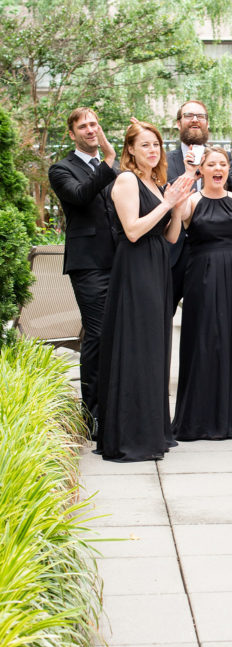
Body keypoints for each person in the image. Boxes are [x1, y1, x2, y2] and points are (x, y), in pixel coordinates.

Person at [96, 120, 195, 462]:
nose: (153, 150)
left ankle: (152, 430)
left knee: (154, 347)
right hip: (135, 267)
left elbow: (169, 237)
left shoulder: (154, 182)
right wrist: (167, 204)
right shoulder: (125, 180)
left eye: (156, 144)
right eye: (145, 145)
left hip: (157, 267)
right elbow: (133, 231)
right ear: (131, 151)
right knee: (135, 346)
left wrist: (178, 202)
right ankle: (130, 434)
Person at [172, 144, 232, 441]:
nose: (218, 169)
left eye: (223, 164)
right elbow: (175, 229)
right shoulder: (191, 202)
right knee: (206, 342)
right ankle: (202, 417)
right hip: (203, 277)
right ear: (202, 169)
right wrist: (187, 177)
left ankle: (231, 414)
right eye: (212, 164)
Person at [48, 107, 118, 435]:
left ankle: (119, 408)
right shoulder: (61, 169)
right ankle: (92, 415)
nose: (90, 129)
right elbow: (81, 195)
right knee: (99, 334)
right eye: (83, 126)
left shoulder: (114, 169)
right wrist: (108, 160)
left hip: (121, 261)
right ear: (72, 133)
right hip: (88, 265)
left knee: (118, 336)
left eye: (94, 124)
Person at [166, 99, 232, 310]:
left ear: (207, 123)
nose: (195, 120)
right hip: (173, 253)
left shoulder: (222, 159)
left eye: (200, 116)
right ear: (178, 123)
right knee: (161, 317)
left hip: (211, 252)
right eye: (189, 116)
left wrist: (215, 171)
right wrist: (189, 173)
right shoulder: (164, 161)